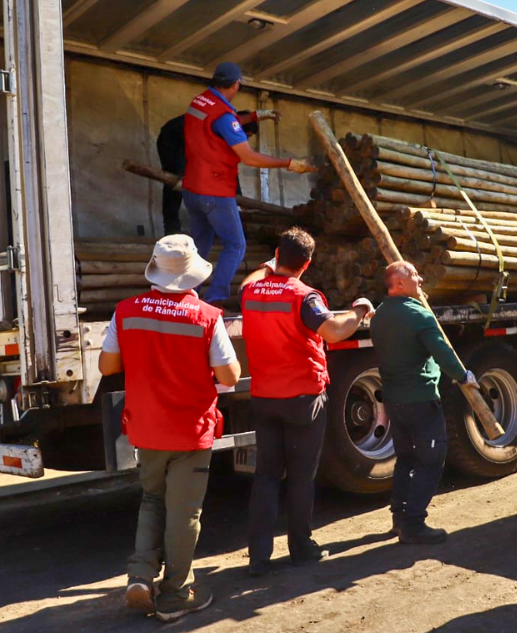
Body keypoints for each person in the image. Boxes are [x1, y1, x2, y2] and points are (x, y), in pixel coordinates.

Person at [98, 235, 242, 622]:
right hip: (190, 430)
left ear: (156, 270)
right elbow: (230, 375)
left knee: (152, 499)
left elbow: (107, 367)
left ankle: (140, 576)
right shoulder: (206, 317)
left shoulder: (126, 311)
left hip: (146, 428)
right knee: (184, 513)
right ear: (193, 274)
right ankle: (175, 596)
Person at [239, 227, 375, 576]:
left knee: (266, 476)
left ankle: (258, 557)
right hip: (302, 399)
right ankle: (301, 548)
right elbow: (335, 332)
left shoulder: (252, 291)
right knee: (301, 476)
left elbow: (249, 281)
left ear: (276, 255)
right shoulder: (304, 297)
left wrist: (269, 266)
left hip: (264, 396)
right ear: (308, 263)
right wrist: (359, 311)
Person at [182, 61, 313, 306]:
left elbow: (219, 123)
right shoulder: (224, 115)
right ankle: (215, 299)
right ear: (236, 84)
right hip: (215, 191)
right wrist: (290, 163)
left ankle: (187, 294)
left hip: (191, 188)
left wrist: (254, 116)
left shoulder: (199, 102)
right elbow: (249, 157)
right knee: (235, 245)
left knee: (200, 245)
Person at [369, 261, 478, 544]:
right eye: (415, 275)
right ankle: (414, 524)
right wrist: (463, 375)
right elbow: (442, 352)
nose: (420, 279)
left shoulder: (379, 315)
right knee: (431, 458)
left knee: (405, 458)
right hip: (420, 399)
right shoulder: (419, 315)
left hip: (394, 400)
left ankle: (399, 519)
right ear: (400, 283)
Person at [156, 110, 263, 236]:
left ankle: (208, 229)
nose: (246, 140)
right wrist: (181, 173)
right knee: (174, 182)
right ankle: (171, 229)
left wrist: (239, 196)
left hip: (188, 143)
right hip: (172, 138)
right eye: (247, 136)